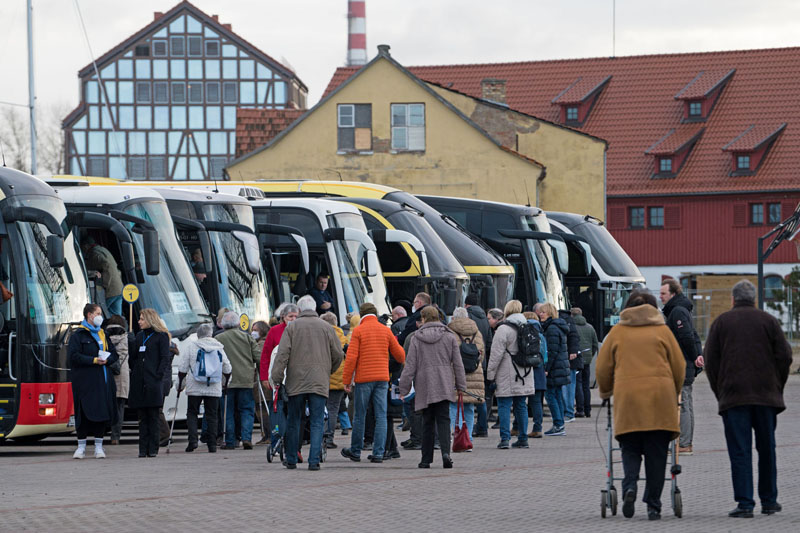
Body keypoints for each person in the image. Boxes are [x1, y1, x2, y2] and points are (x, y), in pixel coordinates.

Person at [704, 279, 793, 518]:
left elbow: (710, 361)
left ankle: (745, 503)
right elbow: (784, 356)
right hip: (766, 396)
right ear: (753, 299)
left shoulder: (721, 323)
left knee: (740, 451)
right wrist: (777, 386)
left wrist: (719, 391)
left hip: (734, 397)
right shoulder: (769, 321)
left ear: (733, 299)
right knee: (767, 449)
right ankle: (769, 500)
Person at [596, 290, 685, 521]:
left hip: (628, 400)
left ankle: (629, 487)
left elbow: (603, 367)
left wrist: (606, 391)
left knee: (630, 449)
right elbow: (679, 365)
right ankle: (653, 505)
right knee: (657, 455)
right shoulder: (663, 331)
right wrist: (674, 390)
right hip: (660, 399)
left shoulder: (618, 332)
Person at [271, 295, 344, 471]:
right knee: (317, 421)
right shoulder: (327, 327)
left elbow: (282, 355)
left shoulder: (292, 327)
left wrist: (277, 378)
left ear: (300, 310)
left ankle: (291, 459)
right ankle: (314, 461)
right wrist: (328, 370)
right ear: (315, 308)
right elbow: (338, 354)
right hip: (319, 381)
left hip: (296, 381)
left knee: (294, 419)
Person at [399, 306, 467, 468]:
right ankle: (445, 453)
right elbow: (458, 363)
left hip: (425, 384)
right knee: (444, 420)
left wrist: (404, 388)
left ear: (423, 319)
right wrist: (461, 385)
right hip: (444, 383)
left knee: (427, 422)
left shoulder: (416, 338)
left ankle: (425, 459)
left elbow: (410, 366)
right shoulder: (449, 337)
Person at [340, 303, 405, 464]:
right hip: (382, 379)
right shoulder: (385, 330)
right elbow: (401, 356)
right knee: (381, 415)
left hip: (364, 379)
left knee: (360, 415)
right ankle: (378, 453)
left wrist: (346, 381)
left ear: (362, 315)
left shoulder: (358, 331)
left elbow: (351, 358)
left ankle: (355, 451)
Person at [69, 303, 119, 459]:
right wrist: (94, 360)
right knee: (83, 413)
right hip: (85, 382)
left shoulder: (103, 334)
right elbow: (74, 356)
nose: (100, 316)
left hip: (102, 381)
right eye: (98, 313)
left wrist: (107, 359)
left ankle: (99, 446)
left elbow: (114, 354)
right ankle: (81, 447)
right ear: (89, 315)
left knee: (101, 413)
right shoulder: (78, 335)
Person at [660, 278, 703, 455]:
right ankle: (684, 442)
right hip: (685, 362)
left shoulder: (677, 312)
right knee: (685, 403)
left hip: (682, 364)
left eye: (663, 293)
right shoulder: (680, 310)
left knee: (684, 404)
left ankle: (684, 443)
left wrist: (694, 357)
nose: (661, 297)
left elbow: (687, 337)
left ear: (674, 293)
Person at [487, 300, 534, 449]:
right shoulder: (528, 326)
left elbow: (495, 355)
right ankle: (523, 437)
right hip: (524, 371)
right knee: (521, 405)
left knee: (504, 405)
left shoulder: (503, 329)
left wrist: (490, 375)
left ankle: (505, 439)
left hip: (506, 372)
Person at [178, 323, 231, 453]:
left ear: (198, 335)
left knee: (192, 413)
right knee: (212, 415)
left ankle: (192, 441)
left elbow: (182, 368)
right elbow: (227, 368)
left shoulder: (191, 346)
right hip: (213, 386)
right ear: (211, 334)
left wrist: (180, 386)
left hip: (194, 385)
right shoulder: (219, 348)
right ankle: (212, 445)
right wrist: (225, 383)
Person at [128, 308, 171, 458]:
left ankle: (153, 448)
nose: (139, 322)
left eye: (142, 319)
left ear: (150, 320)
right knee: (142, 418)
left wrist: (158, 374)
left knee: (153, 416)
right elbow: (133, 358)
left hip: (153, 381)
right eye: (139, 319)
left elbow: (165, 357)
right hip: (140, 381)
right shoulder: (139, 337)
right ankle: (142, 448)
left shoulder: (161, 336)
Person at [216, 311, 261, 450]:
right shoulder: (247, 337)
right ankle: (246, 437)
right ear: (237, 323)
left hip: (226, 380)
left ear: (223, 324)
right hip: (245, 379)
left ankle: (230, 441)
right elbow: (258, 356)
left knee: (227, 411)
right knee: (246, 409)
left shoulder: (218, 338)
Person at [448, 306, 484, 446]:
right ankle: (468, 438)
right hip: (475, 374)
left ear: (454, 317)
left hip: (456, 374)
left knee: (454, 406)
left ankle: (455, 437)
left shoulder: (450, 331)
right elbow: (482, 354)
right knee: (469, 408)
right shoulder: (477, 332)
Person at [536, 303, 571, 436]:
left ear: (549, 313)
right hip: (559, 368)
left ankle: (558, 424)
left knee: (551, 396)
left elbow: (552, 351)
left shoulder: (551, 329)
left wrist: (546, 368)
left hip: (555, 369)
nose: (540, 314)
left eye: (543, 312)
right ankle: (560, 423)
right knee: (556, 395)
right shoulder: (557, 327)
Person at [465, 294, 492, 438]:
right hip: (482, 361)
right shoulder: (485, 319)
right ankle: (483, 426)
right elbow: (489, 342)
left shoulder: (468, 317)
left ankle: (471, 427)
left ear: (466, 304)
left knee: (469, 395)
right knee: (481, 395)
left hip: (469, 360)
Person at [320, 311, 348, 449]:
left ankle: (319, 435)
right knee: (333, 409)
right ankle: (329, 438)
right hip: (339, 379)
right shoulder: (344, 338)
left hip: (322, 378)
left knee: (319, 409)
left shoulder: (321, 336)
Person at [81, 236, 123, 317]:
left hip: (109, 290)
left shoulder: (94, 253)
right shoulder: (103, 249)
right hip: (119, 288)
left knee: (98, 314)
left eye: (83, 248)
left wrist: (104, 284)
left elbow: (86, 269)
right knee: (116, 317)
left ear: (86, 246)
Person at [260, 304, 299, 388]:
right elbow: (266, 354)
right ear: (283, 317)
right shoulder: (274, 330)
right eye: (290, 316)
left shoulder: (302, 330)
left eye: (296, 316)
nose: (294, 319)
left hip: (299, 375)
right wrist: (265, 377)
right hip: (279, 376)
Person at [104, 316, 129, 446]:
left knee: (106, 405)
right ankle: (115, 437)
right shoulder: (128, 338)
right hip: (122, 375)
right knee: (119, 407)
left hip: (106, 374)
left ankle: (101, 433)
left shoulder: (103, 336)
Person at [522, 311, 547, 439]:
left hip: (525, 371)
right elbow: (546, 356)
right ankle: (537, 428)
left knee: (520, 402)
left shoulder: (524, 333)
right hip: (539, 371)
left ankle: (518, 427)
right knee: (536, 402)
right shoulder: (541, 335)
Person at [572, 307, 598, 418]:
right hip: (587, 359)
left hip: (576, 358)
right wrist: (590, 356)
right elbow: (595, 344)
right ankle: (588, 410)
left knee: (578, 384)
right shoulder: (590, 327)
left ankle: (580, 409)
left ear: (572, 315)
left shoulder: (572, 327)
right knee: (586, 385)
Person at [558, 309, 581, 423]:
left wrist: (573, 352)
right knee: (568, 386)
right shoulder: (568, 320)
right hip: (568, 358)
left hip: (566, 359)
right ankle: (567, 412)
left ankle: (568, 412)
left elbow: (573, 337)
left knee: (567, 387)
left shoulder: (564, 321)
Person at [250, 320, 270, 445]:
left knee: (263, 409)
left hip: (261, 381)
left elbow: (259, 359)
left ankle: (268, 434)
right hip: (260, 381)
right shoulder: (260, 343)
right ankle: (266, 434)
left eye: (255, 330)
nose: (253, 333)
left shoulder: (261, 344)